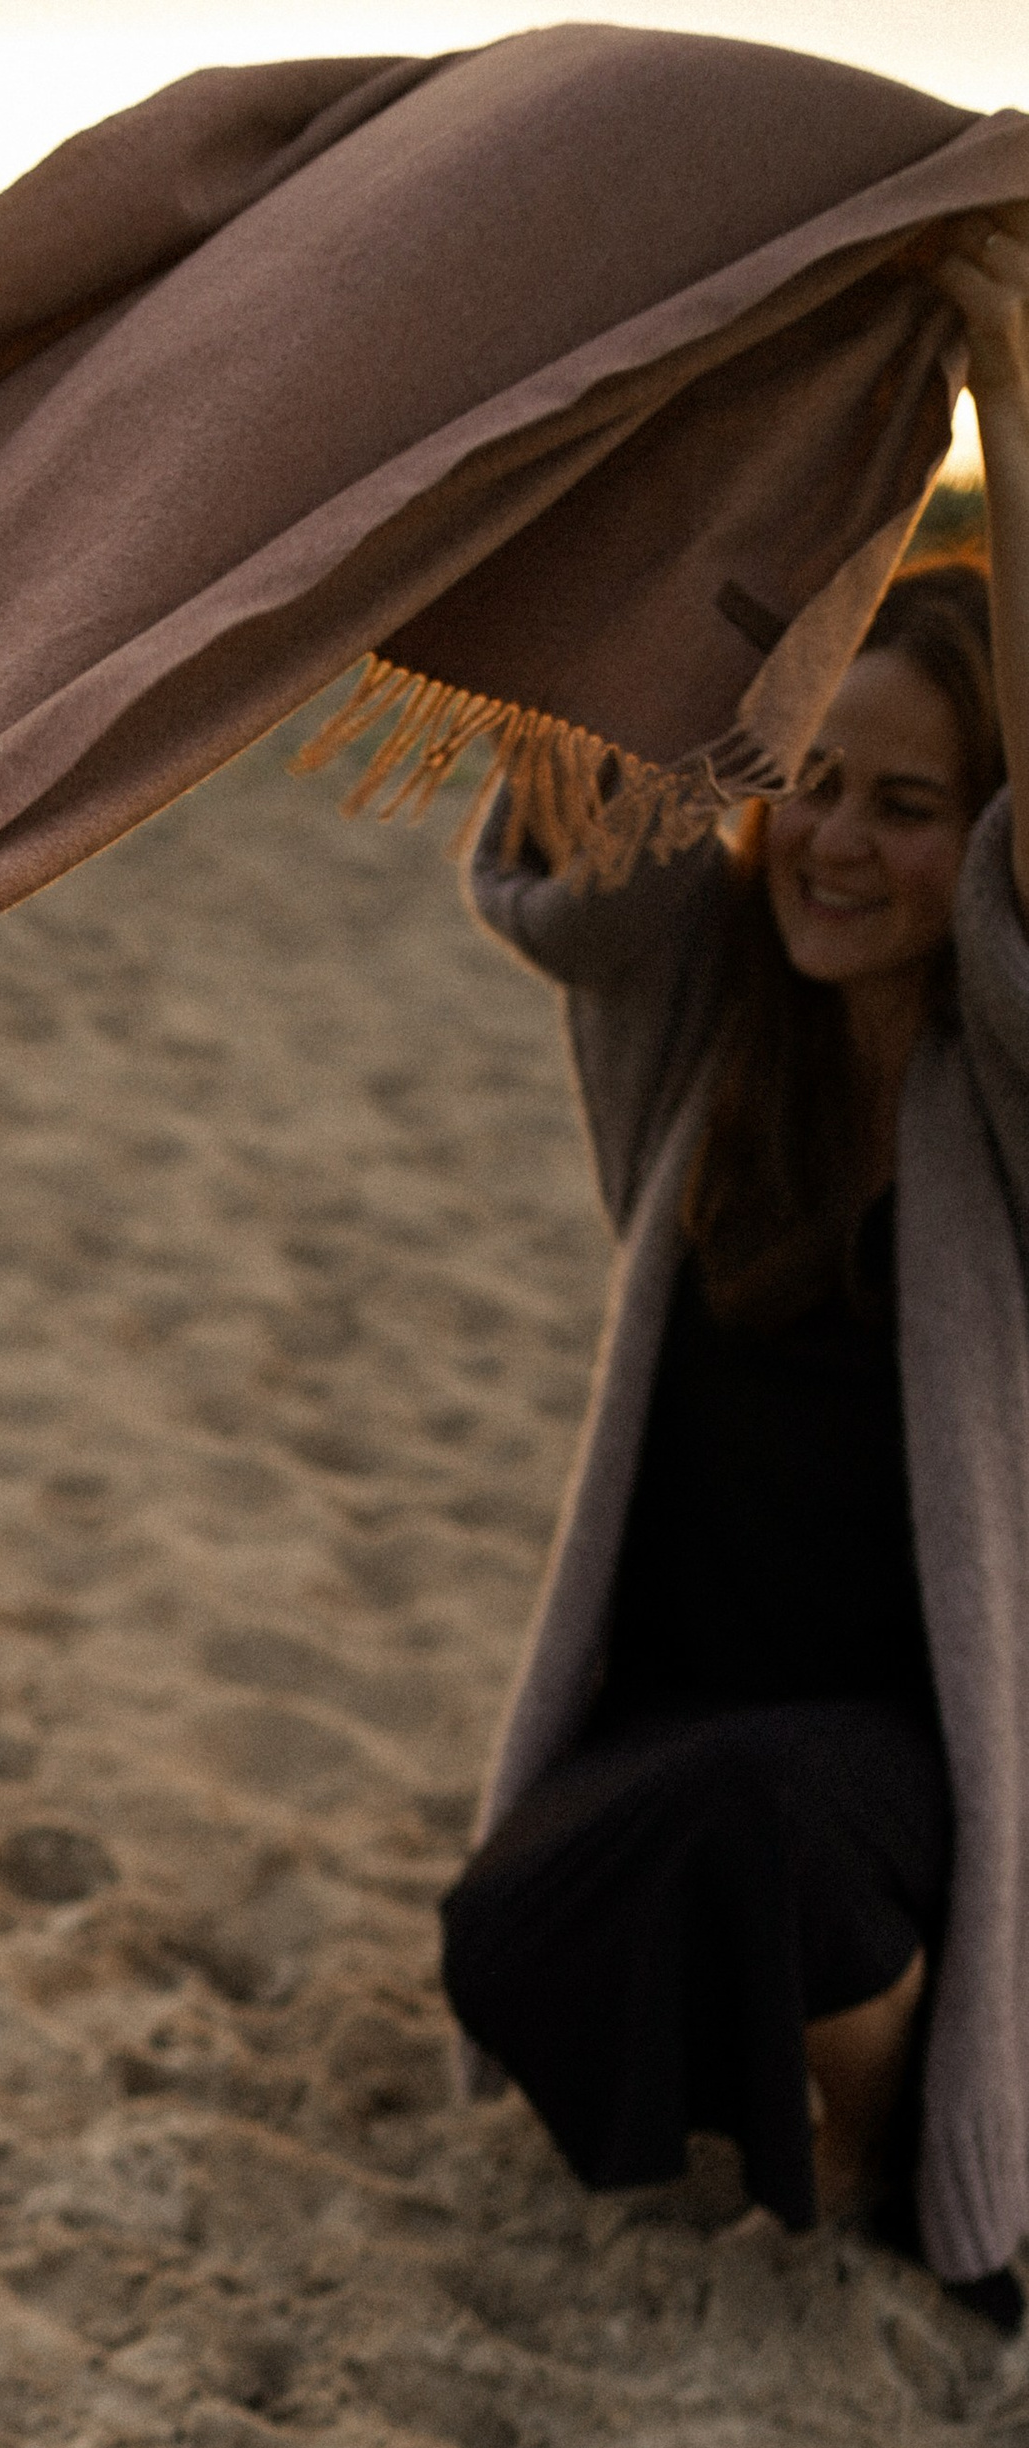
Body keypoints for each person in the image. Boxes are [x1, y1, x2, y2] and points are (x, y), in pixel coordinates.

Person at [440, 211, 1029, 2326]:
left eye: (905, 804)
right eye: (804, 787)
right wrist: (583, 427)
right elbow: (566, 823)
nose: (833, 840)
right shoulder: (706, 1036)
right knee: (499, 1935)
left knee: (781, 1827)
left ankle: (884, 2122)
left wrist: (997, 415)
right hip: (683, 1713)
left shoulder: (1004, 1108)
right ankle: (795, 2026)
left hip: (918, 1760)